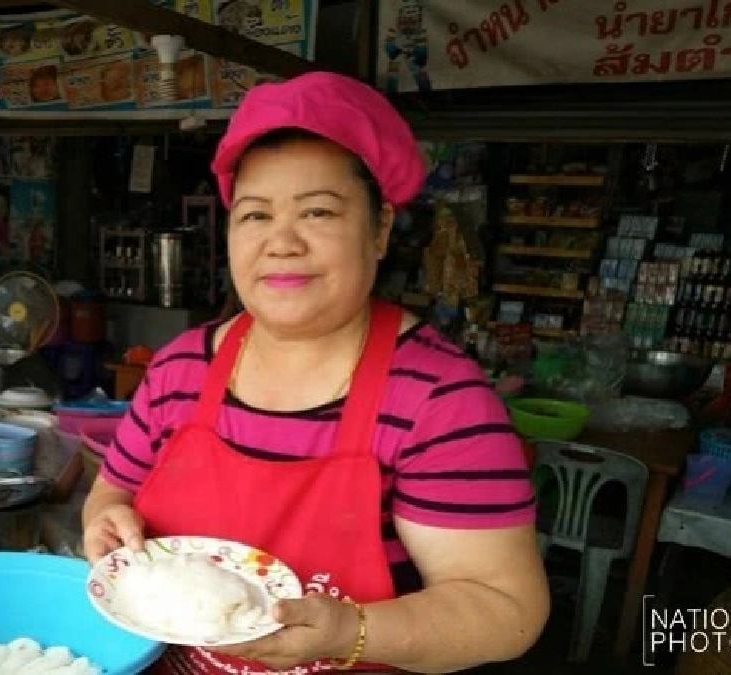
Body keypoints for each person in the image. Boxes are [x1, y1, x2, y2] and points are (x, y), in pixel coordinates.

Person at [81, 71, 549, 674]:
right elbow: (111, 490)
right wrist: (105, 523)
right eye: (254, 216)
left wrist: (351, 630)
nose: (281, 242)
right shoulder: (178, 369)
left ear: (379, 229)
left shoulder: (438, 397)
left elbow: (505, 608)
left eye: (318, 212)